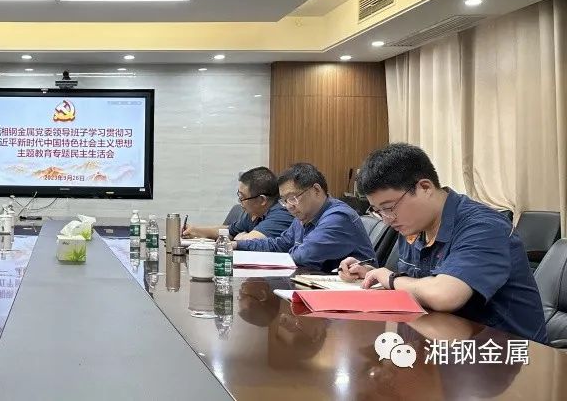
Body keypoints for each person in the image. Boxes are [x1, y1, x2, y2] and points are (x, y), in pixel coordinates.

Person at [339, 143, 547, 343]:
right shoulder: (412, 225)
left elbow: (445, 294)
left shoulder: (483, 226)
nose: (386, 219)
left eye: (389, 207)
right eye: (378, 211)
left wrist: (390, 278)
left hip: (506, 354)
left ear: (425, 187)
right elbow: (418, 285)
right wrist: (372, 274)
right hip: (445, 343)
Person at [235, 163, 374, 272]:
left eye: (292, 198)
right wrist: (237, 245)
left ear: (316, 190)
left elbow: (304, 255)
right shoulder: (303, 216)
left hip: (352, 291)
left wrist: (285, 251)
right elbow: (280, 244)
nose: (289, 206)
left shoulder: (339, 217)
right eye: (284, 200)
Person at [183, 167, 293, 241]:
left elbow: (248, 241)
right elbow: (229, 231)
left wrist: (241, 236)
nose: (240, 202)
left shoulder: (282, 213)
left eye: (242, 197)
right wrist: (195, 230)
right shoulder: (255, 213)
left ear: (262, 200)